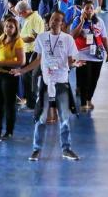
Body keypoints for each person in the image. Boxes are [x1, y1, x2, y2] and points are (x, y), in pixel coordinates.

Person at [12, 11, 82, 161]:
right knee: (41, 118)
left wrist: (74, 64)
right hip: (46, 82)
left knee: (64, 118)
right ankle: (36, 149)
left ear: (62, 23)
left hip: (61, 83)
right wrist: (22, 70)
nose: (53, 22)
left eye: (57, 20)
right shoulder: (42, 38)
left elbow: (70, 61)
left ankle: (66, 149)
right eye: (51, 19)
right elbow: (38, 60)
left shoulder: (68, 39)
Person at [71, 1, 108, 111]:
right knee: (85, 79)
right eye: (87, 8)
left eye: (91, 8)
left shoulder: (99, 22)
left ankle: (89, 99)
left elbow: (104, 38)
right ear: (83, 10)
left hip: (97, 55)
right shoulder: (77, 20)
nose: (89, 10)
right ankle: (83, 103)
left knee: (94, 79)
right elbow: (73, 36)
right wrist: (81, 22)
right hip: (82, 55)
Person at [0, 17, 25, 138]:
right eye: (7, 26)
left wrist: (2, 63)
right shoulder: (2, 37)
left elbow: (21, 61)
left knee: (9, 104)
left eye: (11, 27)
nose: (8, 29)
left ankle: (9, 131)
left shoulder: (18, 41)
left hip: (10, 75)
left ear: (16, 28)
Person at [16, 0, 45, 109]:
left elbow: (33, 37)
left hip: (32, 53)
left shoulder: (35, 19)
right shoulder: (28, 18)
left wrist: (18, 40)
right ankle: (29, 101)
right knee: (26, 79)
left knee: (29, 78)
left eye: (19, 13)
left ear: (24, 11)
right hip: (26, 51)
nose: (19, 16)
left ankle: (32, 103)